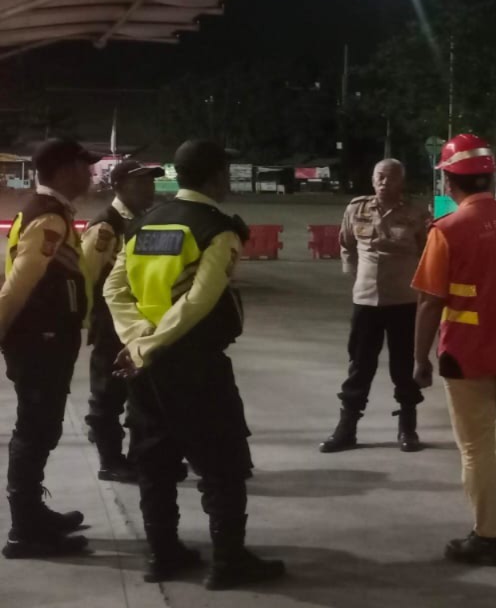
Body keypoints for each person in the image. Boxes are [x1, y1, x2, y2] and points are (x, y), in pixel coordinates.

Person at [103, 139, 285, 589]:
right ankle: (228, 562)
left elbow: (114, 289)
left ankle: (163, 555)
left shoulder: (143, 224)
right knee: (223, 465)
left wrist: (138, 339)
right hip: (195, 364)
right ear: (217, 176)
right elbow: (199, 302)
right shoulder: (217, 229)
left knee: (154, 464)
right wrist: (153, 343)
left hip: (145, 367)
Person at [412, 133, 496, 566]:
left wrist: (419, 359)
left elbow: (430, 301)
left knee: (476, 446)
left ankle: (488, 536)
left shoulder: (447, 231)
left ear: (449, 181)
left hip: (466, 353)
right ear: (491, 177)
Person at [0, 138, 98, 559]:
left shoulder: (47, 210)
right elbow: (18, 284)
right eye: (84, 166)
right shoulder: (49, 218)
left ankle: (33, 514)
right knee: (35, 430)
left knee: (41, 428)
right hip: (39, 342)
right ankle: (24, 531)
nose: (90, 174)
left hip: (46, 340)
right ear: (63, 171)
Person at [321, 158, 430, 454]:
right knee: (360, 365)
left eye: (391, 177)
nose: (384, 182)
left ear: (401, 182)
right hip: (366, 300)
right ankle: (347, 428)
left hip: (403, 300)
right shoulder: (356, 209)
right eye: (379, 177)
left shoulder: (417, 213)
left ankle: (408, 426)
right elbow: (347, 244)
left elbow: (427, 252)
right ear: (372, 180)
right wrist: (357, 276)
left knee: (403, 365)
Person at [78, 159, 164, 484]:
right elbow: (86, 276)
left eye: (151, 182)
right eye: (139, 183)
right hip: (110, 323)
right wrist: (89, 322)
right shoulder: (106, 226)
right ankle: (110, 461)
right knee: (108, 394)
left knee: (140, 393)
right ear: (118, 186)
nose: (148, 189)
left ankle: (139, 457)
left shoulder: (143, 221)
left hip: (136, 322)